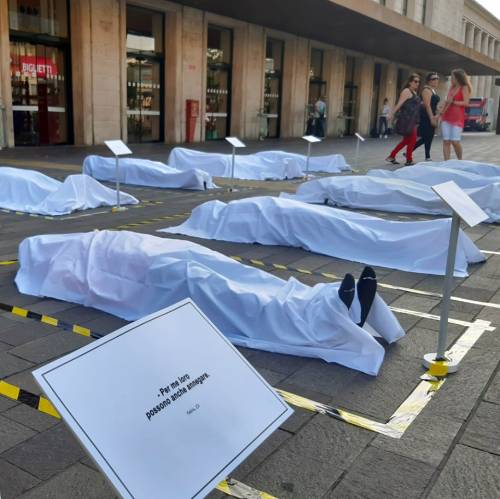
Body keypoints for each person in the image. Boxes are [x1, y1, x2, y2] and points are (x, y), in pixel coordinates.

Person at [385, 73, 421, 166]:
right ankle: (409, 160)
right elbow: (399, 104)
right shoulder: (406, 91)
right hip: (407, 120)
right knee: (412, 139)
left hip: (413, 120)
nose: (417, 83)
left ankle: (392, 156)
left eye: (418, 82)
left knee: (406, 140)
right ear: (410, 82)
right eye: (415, 81)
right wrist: (391, 114)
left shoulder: (414, 92)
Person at [440, 68, 472, 160]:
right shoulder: (451, 87)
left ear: (458, 77)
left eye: (453, 77)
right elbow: (447, 101)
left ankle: (460, 160)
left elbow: (466, 103)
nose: (451, 79)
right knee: (446, 141)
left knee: (455, 141)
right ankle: (446, 163)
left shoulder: (464, 87)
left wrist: (454, 102)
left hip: (457, 118)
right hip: (446, 117)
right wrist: (441, 109)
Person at [413, 73, 441, 161]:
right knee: (427, 136)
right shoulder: (426, 90)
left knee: (428, 136)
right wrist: (431, 118)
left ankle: (411, 152)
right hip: (426, 116)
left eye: (437, 78)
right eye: (434, 79)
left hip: (432, 115)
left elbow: (434, 105)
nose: (436, 80)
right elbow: (427, 105)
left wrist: (438, 112)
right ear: (429, 81)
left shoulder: (433, 90)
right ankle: (427, 156)